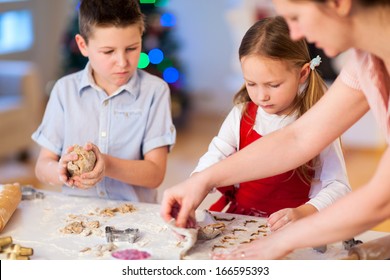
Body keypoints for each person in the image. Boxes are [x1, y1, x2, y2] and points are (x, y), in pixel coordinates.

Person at [160, 0, 390, 259]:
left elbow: (382, 198)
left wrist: (284, 239)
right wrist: (201, 180)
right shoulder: (366, 61)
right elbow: (299, 137)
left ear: (338, 3)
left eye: (294, 17)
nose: (294, 34)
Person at [190, 16, 350, 231]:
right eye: (251, 84)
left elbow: (338, 185)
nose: (261, 96)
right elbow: (216, 155)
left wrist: (304, 212)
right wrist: (194, 185)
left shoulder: (318, 122)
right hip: (241, 222)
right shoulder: (240, 115)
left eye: (273, 85)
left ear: (302, 73)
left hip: (293, 227)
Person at [32, 0, 176, 203]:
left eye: (132, 48)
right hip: (77, 216)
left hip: (134, 217)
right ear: (83, 45)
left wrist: (106, 165)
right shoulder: (64, 90)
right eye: (108, 52)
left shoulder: (155, 91)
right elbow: (42, 166)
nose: (122, 62)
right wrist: (60, 170)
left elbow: (155, 175)